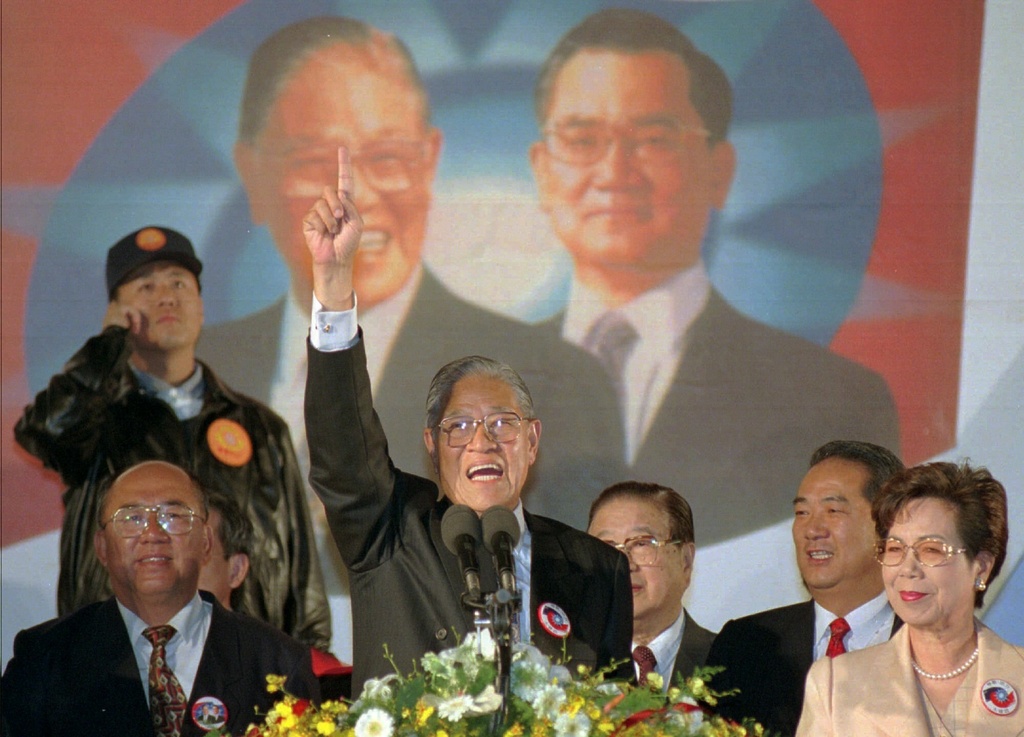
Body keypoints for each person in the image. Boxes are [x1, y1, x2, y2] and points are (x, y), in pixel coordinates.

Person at [199, 15, 622, 497]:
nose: (356, 198)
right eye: (316, 163)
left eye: (387, 159)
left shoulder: (551, 380)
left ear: (429, 162)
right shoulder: (199, 372)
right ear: (252, 173)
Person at [527, 7, 900, 537]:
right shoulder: (492, 395)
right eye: (583, 139)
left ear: (718, 171)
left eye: (654, 138)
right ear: (542, 170)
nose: (613, 172)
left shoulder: (833, 397)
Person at [300, 146, 633, 690]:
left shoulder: (597, 570)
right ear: (431, 444)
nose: (483, 442)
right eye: (459, 427)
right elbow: (342, 451)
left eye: (502, 424)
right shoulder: (392, 532)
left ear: (533, 440)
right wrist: (334, 288)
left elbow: (618, 709)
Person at [13, 225, 330, 651]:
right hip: (120, 662)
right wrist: (106, 349)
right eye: (145, 286)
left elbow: (301, 573)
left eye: (179, 283)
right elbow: (43, 431)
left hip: (245, 663)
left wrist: (312, 664)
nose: (165, 297)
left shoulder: (261, 428)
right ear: (115, 313)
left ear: (200, 306)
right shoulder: (95, 421)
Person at [1, 461, 319, 737]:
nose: (153, 533)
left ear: (206, 541)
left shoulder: (277, 664)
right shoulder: (44, 661)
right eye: (132, 518)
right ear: (101, 548)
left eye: (174, 516)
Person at [797, 461, 1023, 736]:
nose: (907, 569)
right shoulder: (835, 684)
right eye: (894, 549)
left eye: (931, 550)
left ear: (981, 566)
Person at [706, 440, 905, 736]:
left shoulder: (928, 644)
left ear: (888, 526)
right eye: (802, 513)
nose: (812, 530)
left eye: (833, 510)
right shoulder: (745, 646)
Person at [199, 492, 353, 700]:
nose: (176, 567)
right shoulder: (145, 663)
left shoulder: (294, 673)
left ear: (235, 570)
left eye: (198, 549)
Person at [588, 481, 715, 690]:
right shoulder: (567, 670)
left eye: (641, 544)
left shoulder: (730, 663)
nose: (624, 564)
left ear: (686, 561)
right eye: (606, 548)